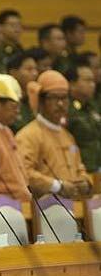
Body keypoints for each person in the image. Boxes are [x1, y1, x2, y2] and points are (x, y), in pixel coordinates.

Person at [16, 70, 92, 198]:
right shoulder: (28, 135)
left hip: (73, 206)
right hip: (44, 209)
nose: (61, 104)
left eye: (64, 98)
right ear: (41, 101)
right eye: (54, 98)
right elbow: (24, 172)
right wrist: (57, 186)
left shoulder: (68, 136)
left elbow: (80, 168)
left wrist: (85, 182)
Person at [66, 63, 101, 173]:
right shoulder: (66, 109)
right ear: (72, 84)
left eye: (93, 81)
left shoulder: (92, 107)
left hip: (97, 166)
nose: (92, 84)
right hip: (80, 168)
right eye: (88, 80)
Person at [7, 52, 39, 132]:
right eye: (29, 69)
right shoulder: (6, 101)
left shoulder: (36, 98)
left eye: (35, 69)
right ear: (13, 73)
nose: (35, 73)